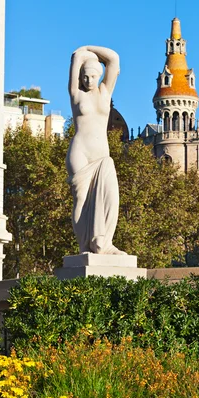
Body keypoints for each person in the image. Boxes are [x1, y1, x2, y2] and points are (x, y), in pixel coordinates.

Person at [66, 45, 126, 255]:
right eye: (85, 76)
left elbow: (114, 59)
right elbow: (76, 57)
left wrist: (89, 48)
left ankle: (103, 242)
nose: (88, 80)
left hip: (101, 154)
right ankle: (84, 246)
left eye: (92, 76)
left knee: (110, 195)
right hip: (80, 152)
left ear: (99, 76)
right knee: (81, 199)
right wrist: (80, 55)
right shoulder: (76, 95)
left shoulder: (105, 92)